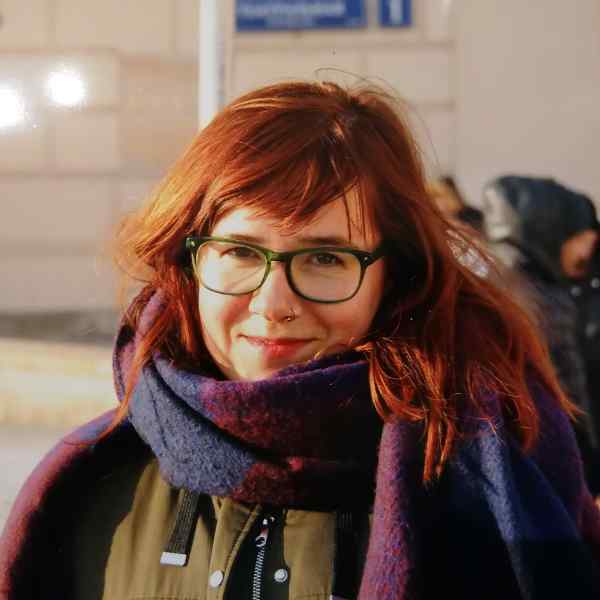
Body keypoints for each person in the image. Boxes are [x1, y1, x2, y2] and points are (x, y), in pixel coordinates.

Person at [2, 82, 600, 600]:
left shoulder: (489, 471)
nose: (273, 303)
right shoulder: (84, 487)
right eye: (240, 252)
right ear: (189, 261)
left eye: (325, 259)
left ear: (394, 276)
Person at [482, 175, 600, 493]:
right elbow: (564, 385)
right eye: (582, 239)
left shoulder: (495, 273)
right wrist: (590, 466)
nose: (588, 250)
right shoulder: (539, 294)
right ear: (553, 232)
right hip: (546, 451)